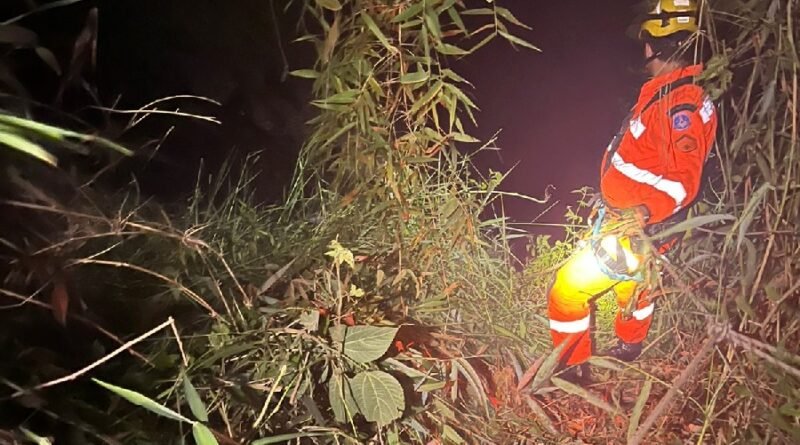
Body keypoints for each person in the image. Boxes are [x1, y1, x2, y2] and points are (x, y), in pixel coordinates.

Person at [545, 0, 718, 383]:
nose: (642, 49)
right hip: (639, 227)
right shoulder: (672, 92)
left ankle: (573, 372)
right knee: (633, 286)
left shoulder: (680, 105)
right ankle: (630, 347)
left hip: (636, 228)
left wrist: (641, 210)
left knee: (567, 292)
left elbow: (683, 181)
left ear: (658, 44)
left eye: (645, 39)